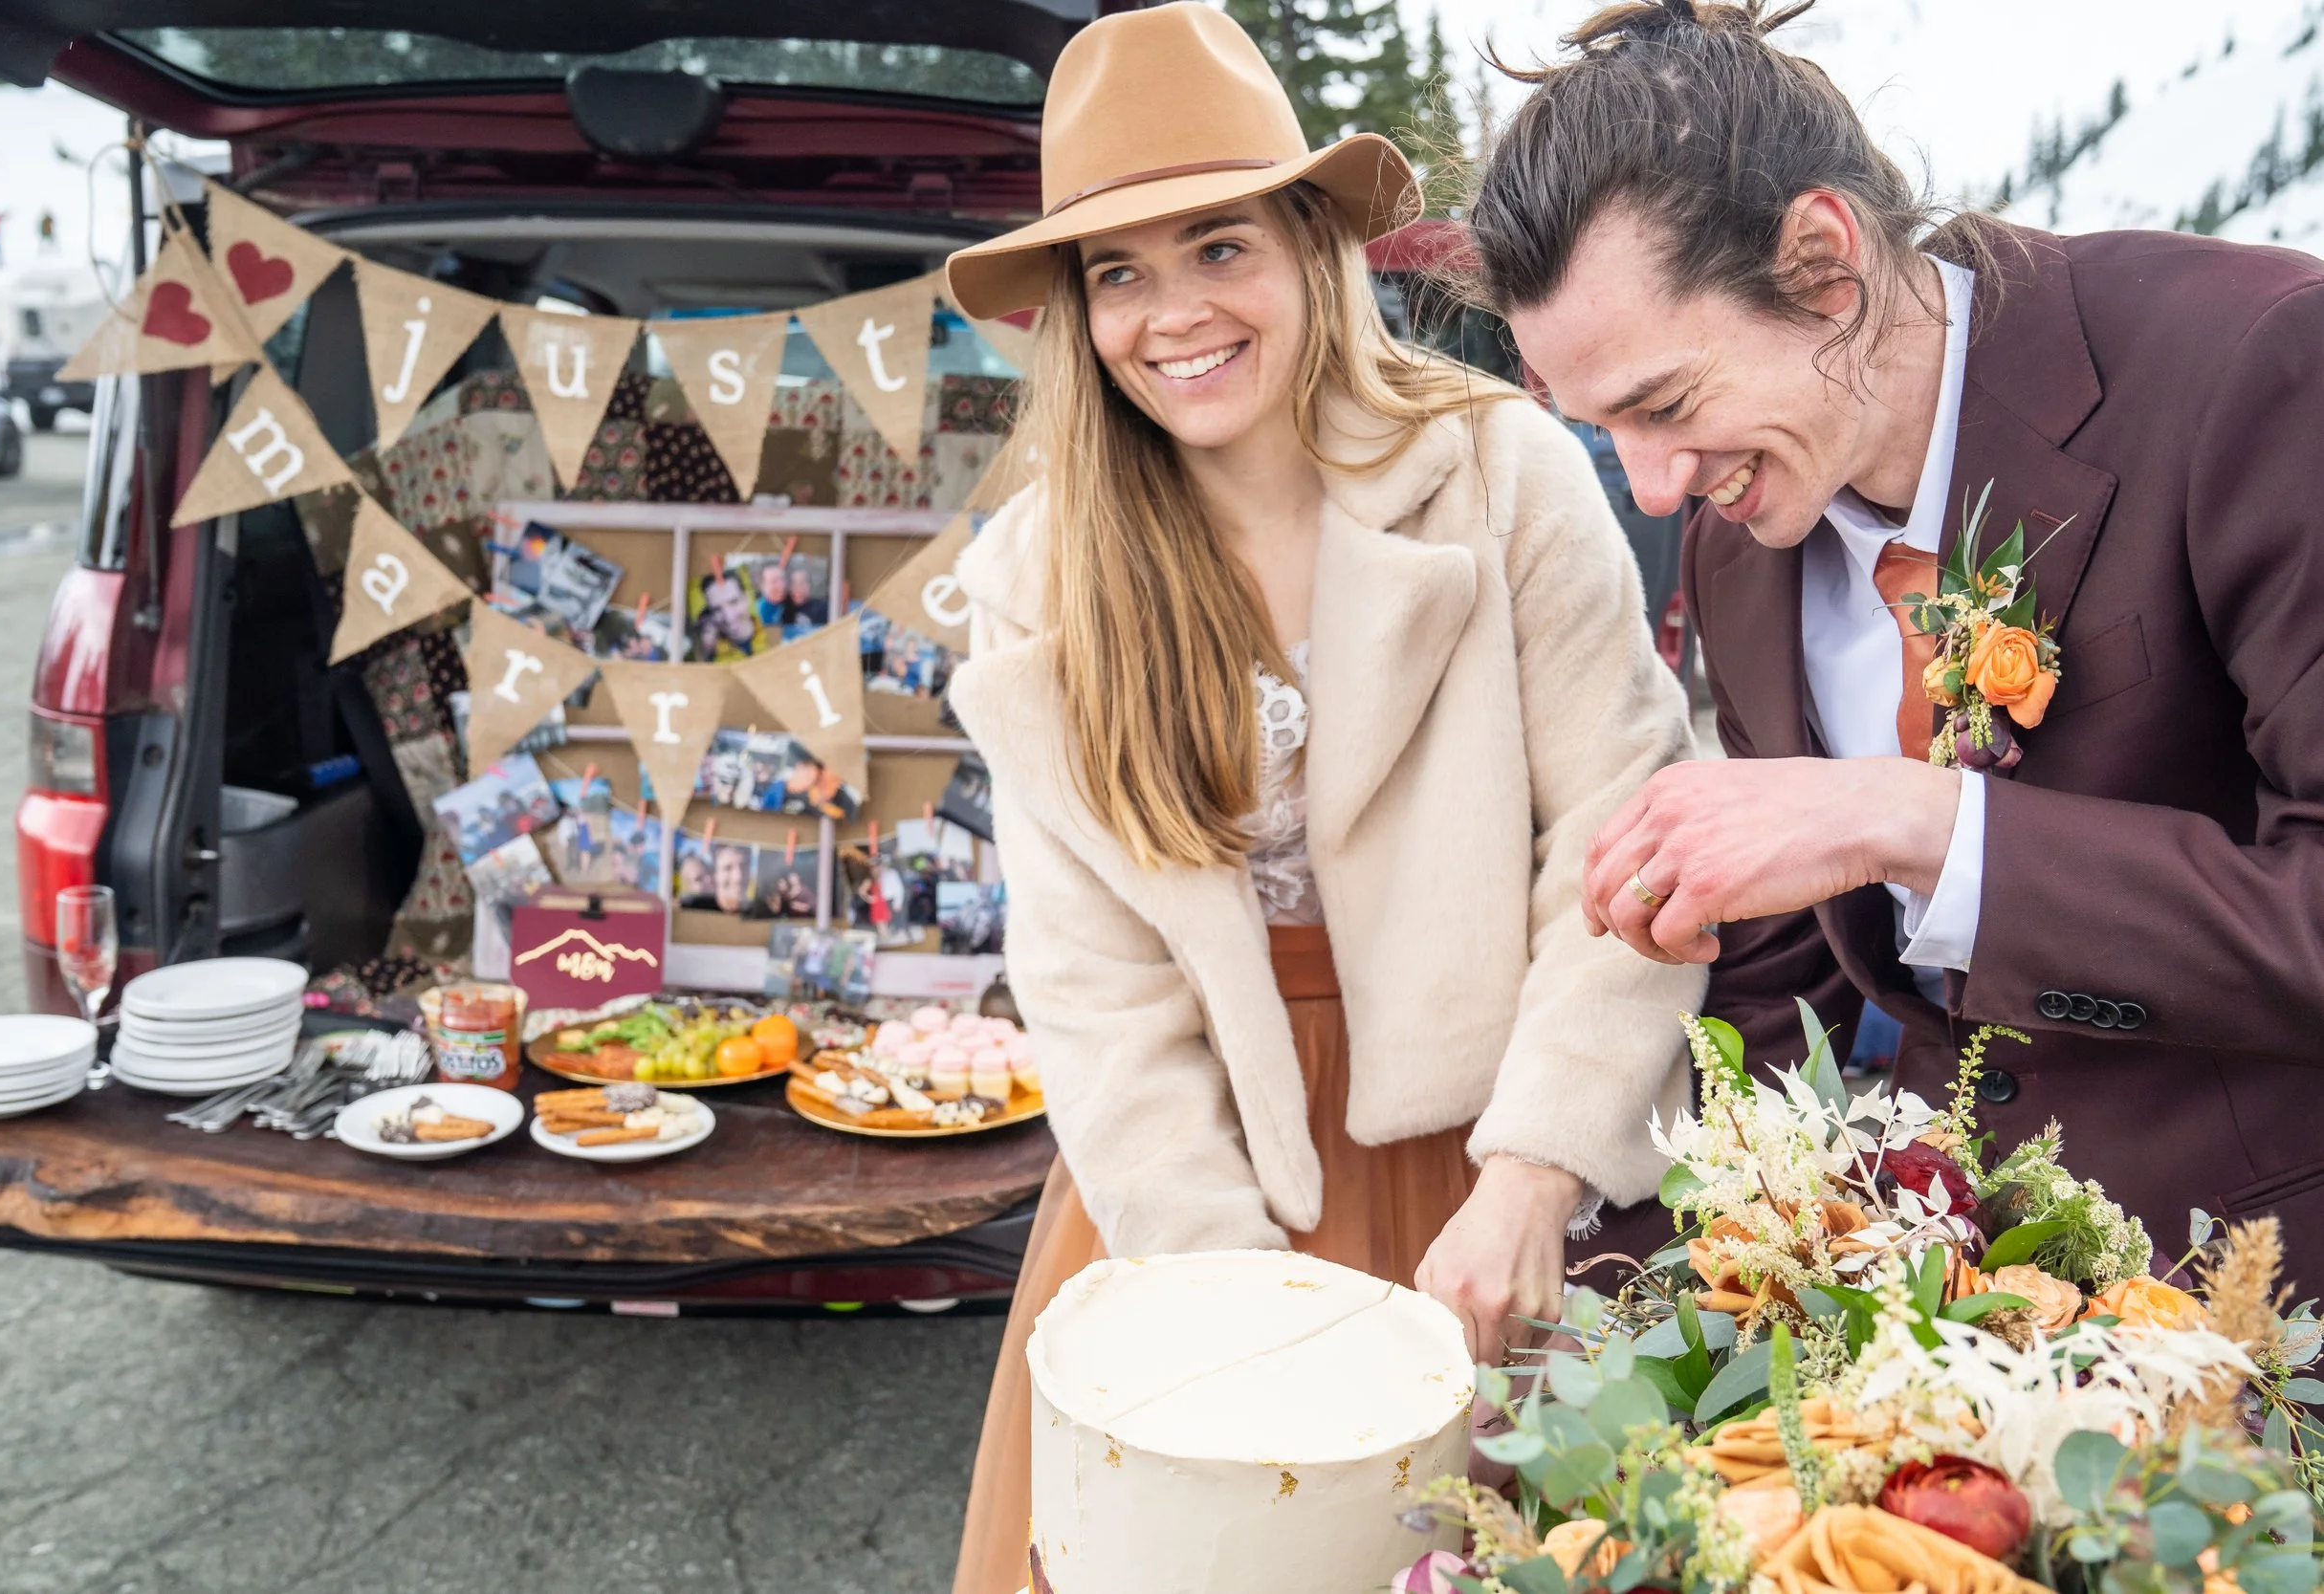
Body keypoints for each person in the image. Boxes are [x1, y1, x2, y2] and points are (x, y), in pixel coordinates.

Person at [936, 7, 1704, 1590]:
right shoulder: (1036, 578)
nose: (1173, 314)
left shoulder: (1503, 474)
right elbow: (1091, 985)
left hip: (1483, 1162)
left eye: (1217, 246)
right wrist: (1229, 1307)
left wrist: (1538, 1169)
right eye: (1118, 273)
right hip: (1177, 1182)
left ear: (1309, 241)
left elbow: (1624, 846)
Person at [1472, 0, 2324, 1288]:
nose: (1650, 487)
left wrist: (1910, 818)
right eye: (1603, 426)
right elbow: (1781, 976)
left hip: (2264, 1287)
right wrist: (1583, 1213)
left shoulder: (2257, 361)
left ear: (1823, 260)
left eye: (1666, 403)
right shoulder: (1733, 545)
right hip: (1949, 1312)